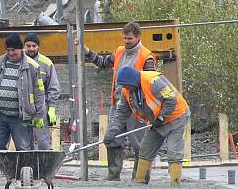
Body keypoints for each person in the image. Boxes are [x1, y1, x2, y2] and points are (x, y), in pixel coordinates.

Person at [81, 21, 156, 181]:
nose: (126, 41)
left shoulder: (147, 57)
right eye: (124, 38)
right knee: (112, 138)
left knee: (140, 144)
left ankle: (141, 177)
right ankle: (113, 174)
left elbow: (151, 84)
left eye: (129, 38)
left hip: (137, 107)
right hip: (118, 104)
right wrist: (85, 50)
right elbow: (102, 62)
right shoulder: (119, 52)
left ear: (138, 37)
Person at [104, 66, 190, 187]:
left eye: (125, 85)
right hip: (155, 121)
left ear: (132, 81)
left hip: (176, 117)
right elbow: (121, 113)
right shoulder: (127, 91)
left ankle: (175, 184)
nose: (124, 88)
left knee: (174, 151)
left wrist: (161, 117)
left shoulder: (153, 81)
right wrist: (112, 131)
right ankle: (140, 182)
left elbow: (171, 99)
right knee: (145, 150)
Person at [0, 33, 46, 151]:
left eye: (14, 50)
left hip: (20, 117)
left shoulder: (32, 66)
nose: (11, 53)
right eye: (8, 50)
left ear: (21, 49)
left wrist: (39, 115)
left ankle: (24, 169)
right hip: (0, 116)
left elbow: (39, 92)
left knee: (24, 148)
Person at [23, 33, 61, 150]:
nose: (31, 49)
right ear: (24, 46)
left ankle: (44, 167)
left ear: (38, 46)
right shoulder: (18, 60)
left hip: (40, 108)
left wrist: (52, 108)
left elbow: (53, 87)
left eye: (34, 46)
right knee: (24, 142)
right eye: (28, 46)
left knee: (43, 142)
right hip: (22, 108)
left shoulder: (46, 63)